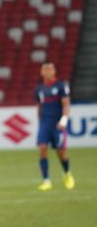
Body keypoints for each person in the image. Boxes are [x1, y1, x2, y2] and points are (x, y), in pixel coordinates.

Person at [35, 61, 75, 191]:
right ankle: (46, 181)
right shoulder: (39, 89)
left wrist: (64, 119)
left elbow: (66, 104)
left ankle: (67, 173)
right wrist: (40, 121)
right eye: (45, 69)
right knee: (42, 148)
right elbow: (39, 106)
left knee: (61, 152)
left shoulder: (61, 86)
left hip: (57, 125)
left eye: (50, 69)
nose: (47, 71)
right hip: (44, 124)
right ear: (41, 72)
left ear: (54, 71)